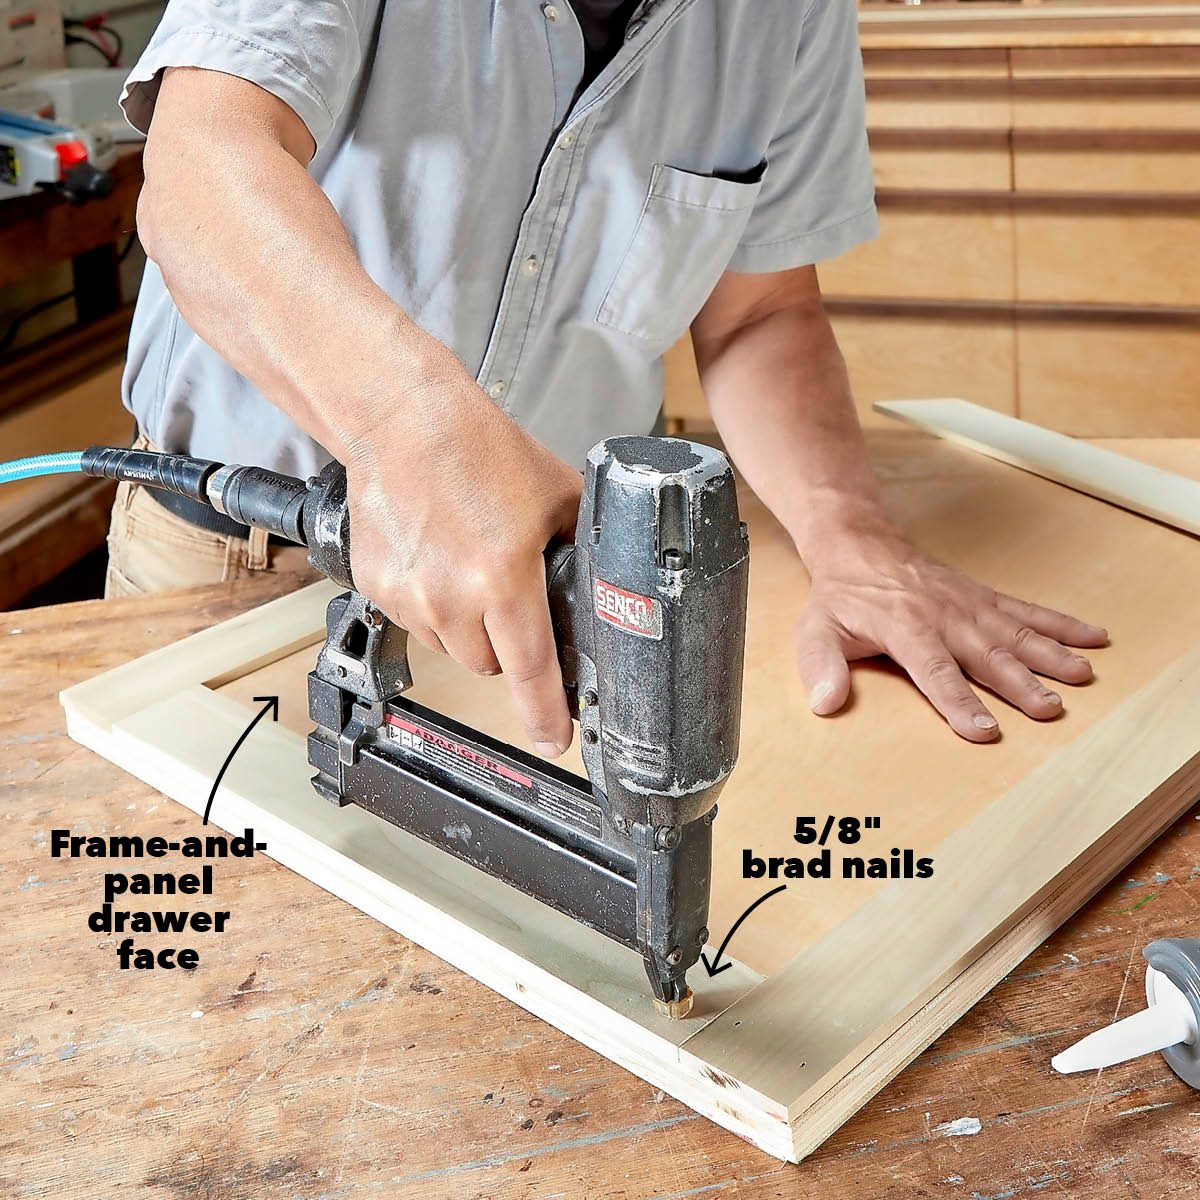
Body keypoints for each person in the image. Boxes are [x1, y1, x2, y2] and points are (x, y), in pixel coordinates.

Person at [107, 0, 1107, 756]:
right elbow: (201, 171)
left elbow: (760, 314)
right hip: (240, 558)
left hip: (555, 593)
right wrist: (414, 434)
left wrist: (852, 540)